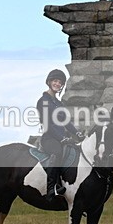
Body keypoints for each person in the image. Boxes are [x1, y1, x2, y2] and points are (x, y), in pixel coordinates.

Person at [37, 69, 83, 202]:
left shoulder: (59, 103)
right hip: (49, 138)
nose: (57, 84)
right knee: (57, 152)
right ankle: (52, 188)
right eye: (55, 81)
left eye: (60, 82)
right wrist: (61, 138)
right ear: (49, 82)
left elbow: (66, 122)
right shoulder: (43, 101)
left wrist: (77, 133)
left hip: (62, 138)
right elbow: (48, 125)